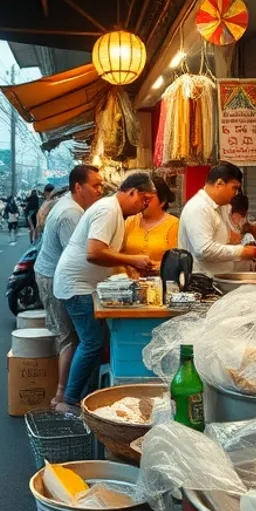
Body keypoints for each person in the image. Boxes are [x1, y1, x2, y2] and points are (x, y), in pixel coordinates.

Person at [55, 172, 157, 411]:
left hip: (84, 286)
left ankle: (82, 396)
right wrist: (133, 260)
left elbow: (111, 254)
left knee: (93, 343)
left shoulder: (117, 214)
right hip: (76, 286)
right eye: (144, 199)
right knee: (91, 343)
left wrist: (131, 269)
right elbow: (94, 252)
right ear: (132, 191)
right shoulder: (108, 211)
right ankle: (68, 402)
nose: (146, 205)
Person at [35, 166, 105, 407]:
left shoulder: (71, 206)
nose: (100, 190)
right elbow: (77, 256)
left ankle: (67, 393)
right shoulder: (71, 214)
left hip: (51, 274)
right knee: (69, 338)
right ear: (78, 187)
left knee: (74, 337)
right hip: (53, 277)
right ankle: (62, 397)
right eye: (95, 185)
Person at [178, 161, 256, 276]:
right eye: (234, 188)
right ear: (219, 183)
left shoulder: (221, 207)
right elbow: (204, 250)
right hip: (201, 283)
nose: (236, 193)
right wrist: (241, 251)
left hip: (217, 279)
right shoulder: (199, 207)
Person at [121, 175, 178, 271]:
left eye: (148, 199)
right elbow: (118, 253)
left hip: (158, 281)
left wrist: (153, 267)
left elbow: (175, 261)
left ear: (162, 201)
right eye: (141, 198)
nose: (143, 203)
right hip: (128, 281)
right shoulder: (130, 221)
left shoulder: (174, 225)